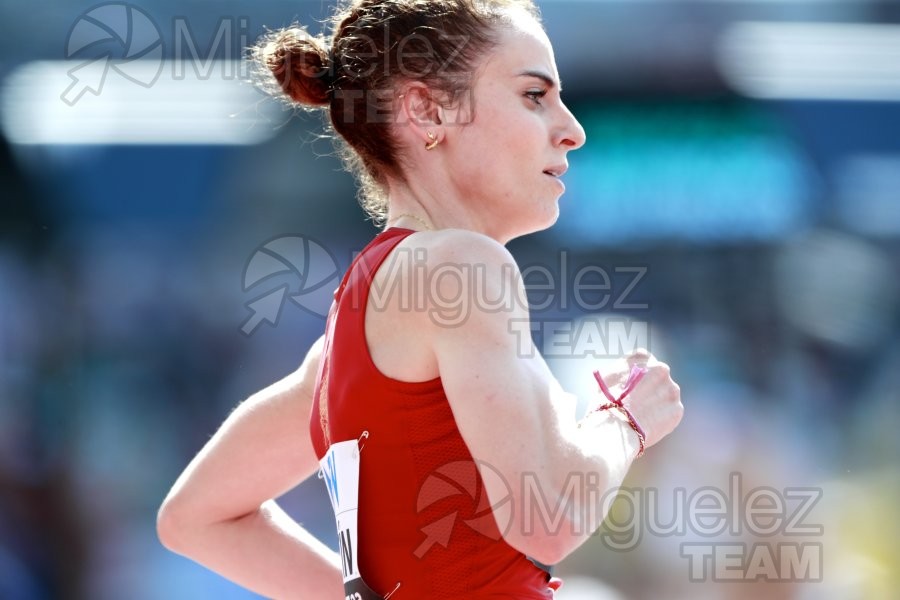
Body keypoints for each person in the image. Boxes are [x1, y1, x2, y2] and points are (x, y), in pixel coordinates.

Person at [156, 0, 683, 598]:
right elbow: (548, 519)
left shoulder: (345, 339)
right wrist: (625, 419)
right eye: (534, 96)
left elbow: (196, 518)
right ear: (426, 109)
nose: (573, 129)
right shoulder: (460, 265)